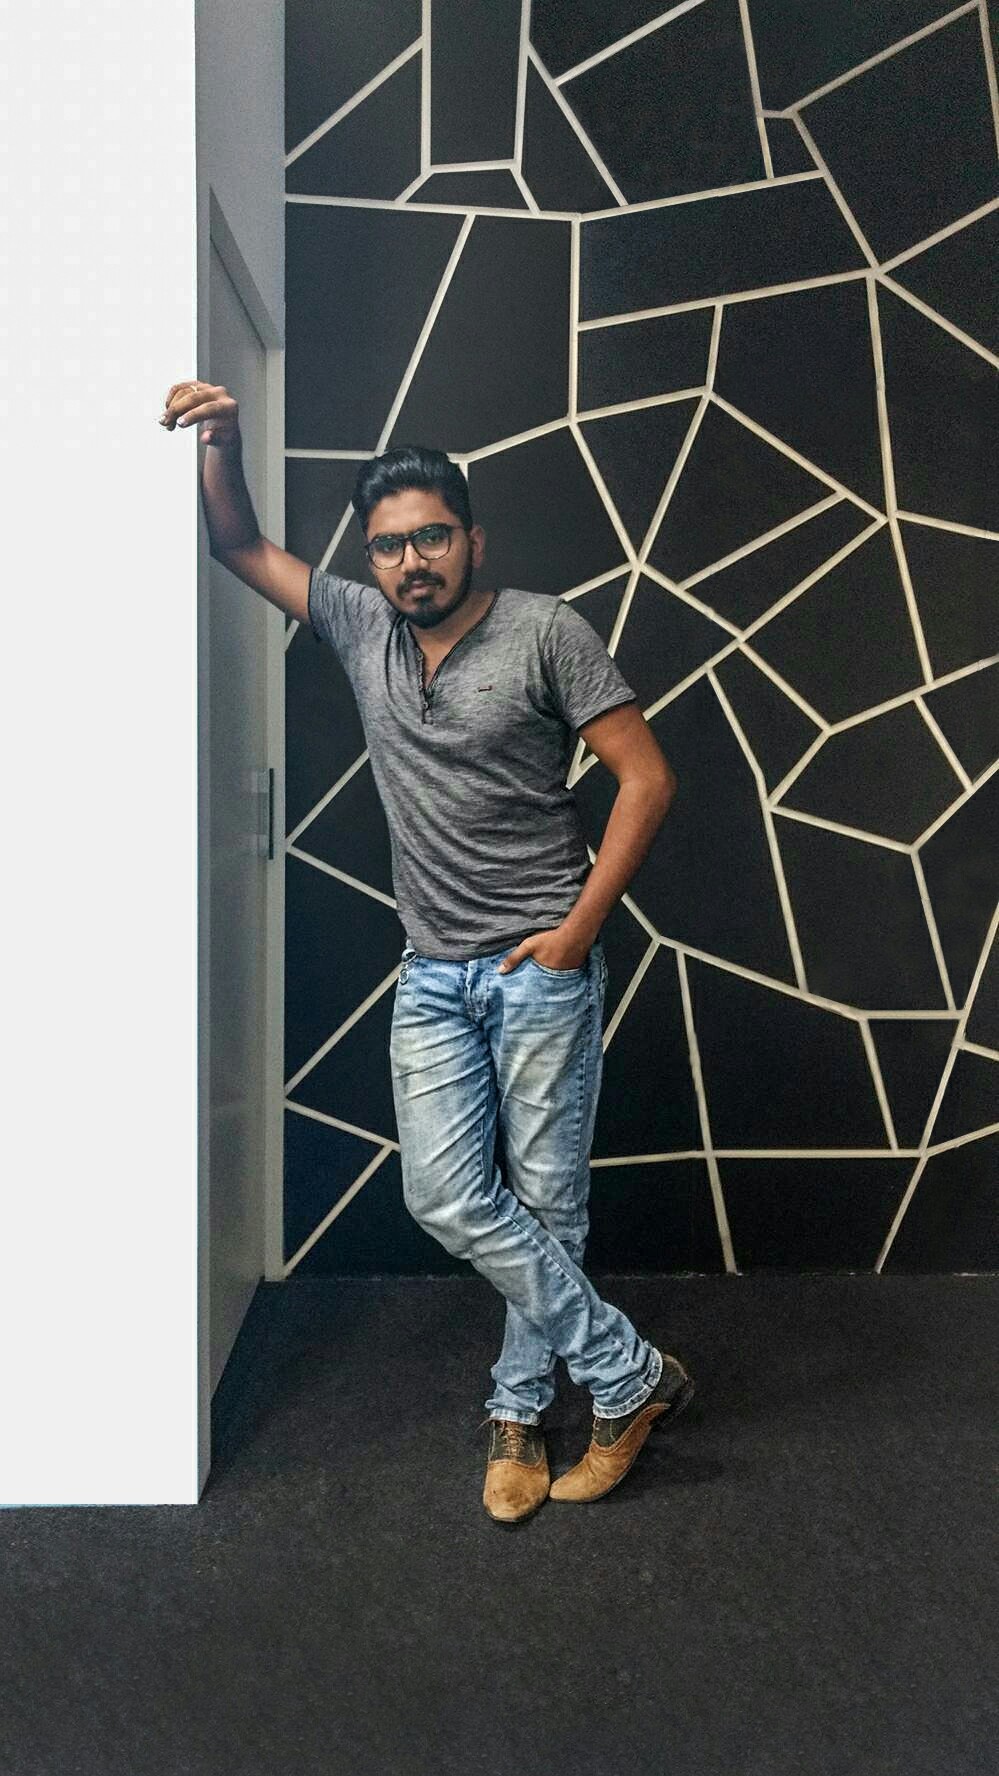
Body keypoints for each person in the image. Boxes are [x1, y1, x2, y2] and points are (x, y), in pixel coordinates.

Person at [160, 378, 696, 1524]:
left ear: (473, 539)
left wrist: (574, 937)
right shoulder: (361, 626)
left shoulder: (547, 630)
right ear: (371, 556)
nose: (413, 562)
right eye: (391, 545)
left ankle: (517, 1415)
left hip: (539, 971)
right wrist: (223, 443)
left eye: (433, 537)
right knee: (448, 1196)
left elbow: (646, 779)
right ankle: (627, 1374)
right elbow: (238, 544)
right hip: (432, 976)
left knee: (546, 1206)